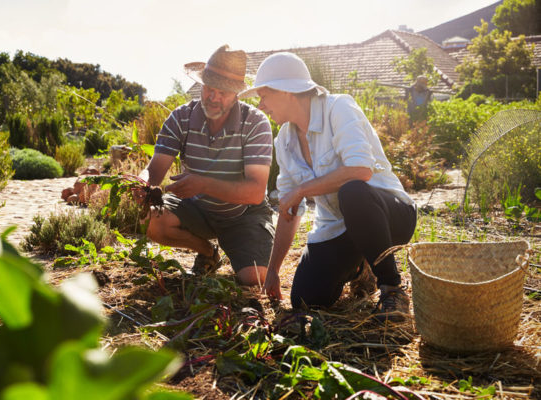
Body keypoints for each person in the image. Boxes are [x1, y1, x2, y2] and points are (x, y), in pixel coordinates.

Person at [238, 52, 417, 321]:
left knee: (353, 191)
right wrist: (273, 270)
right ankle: (360, 268)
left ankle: (392, 288)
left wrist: (302, 190)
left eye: (264, 96)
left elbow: (360, 170)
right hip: (339, 227)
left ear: (287, 91)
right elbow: (290, 211)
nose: (261, 106)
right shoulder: (284, 142)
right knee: (305, 299)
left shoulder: (338, 108)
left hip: (390, 216)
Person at [137, 45, 275, 286]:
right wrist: (139, 184)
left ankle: (239, 248)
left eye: (222, 92)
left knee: (254, 279)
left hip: (243, 214)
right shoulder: (181, 117)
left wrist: (202, 184)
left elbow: (255, 192)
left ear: (236, 94)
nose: (213, 98)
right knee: (148, 218)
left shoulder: (255, 123)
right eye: (209, 89)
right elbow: (155, 169)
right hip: (197, 209)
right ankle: (207, 253)